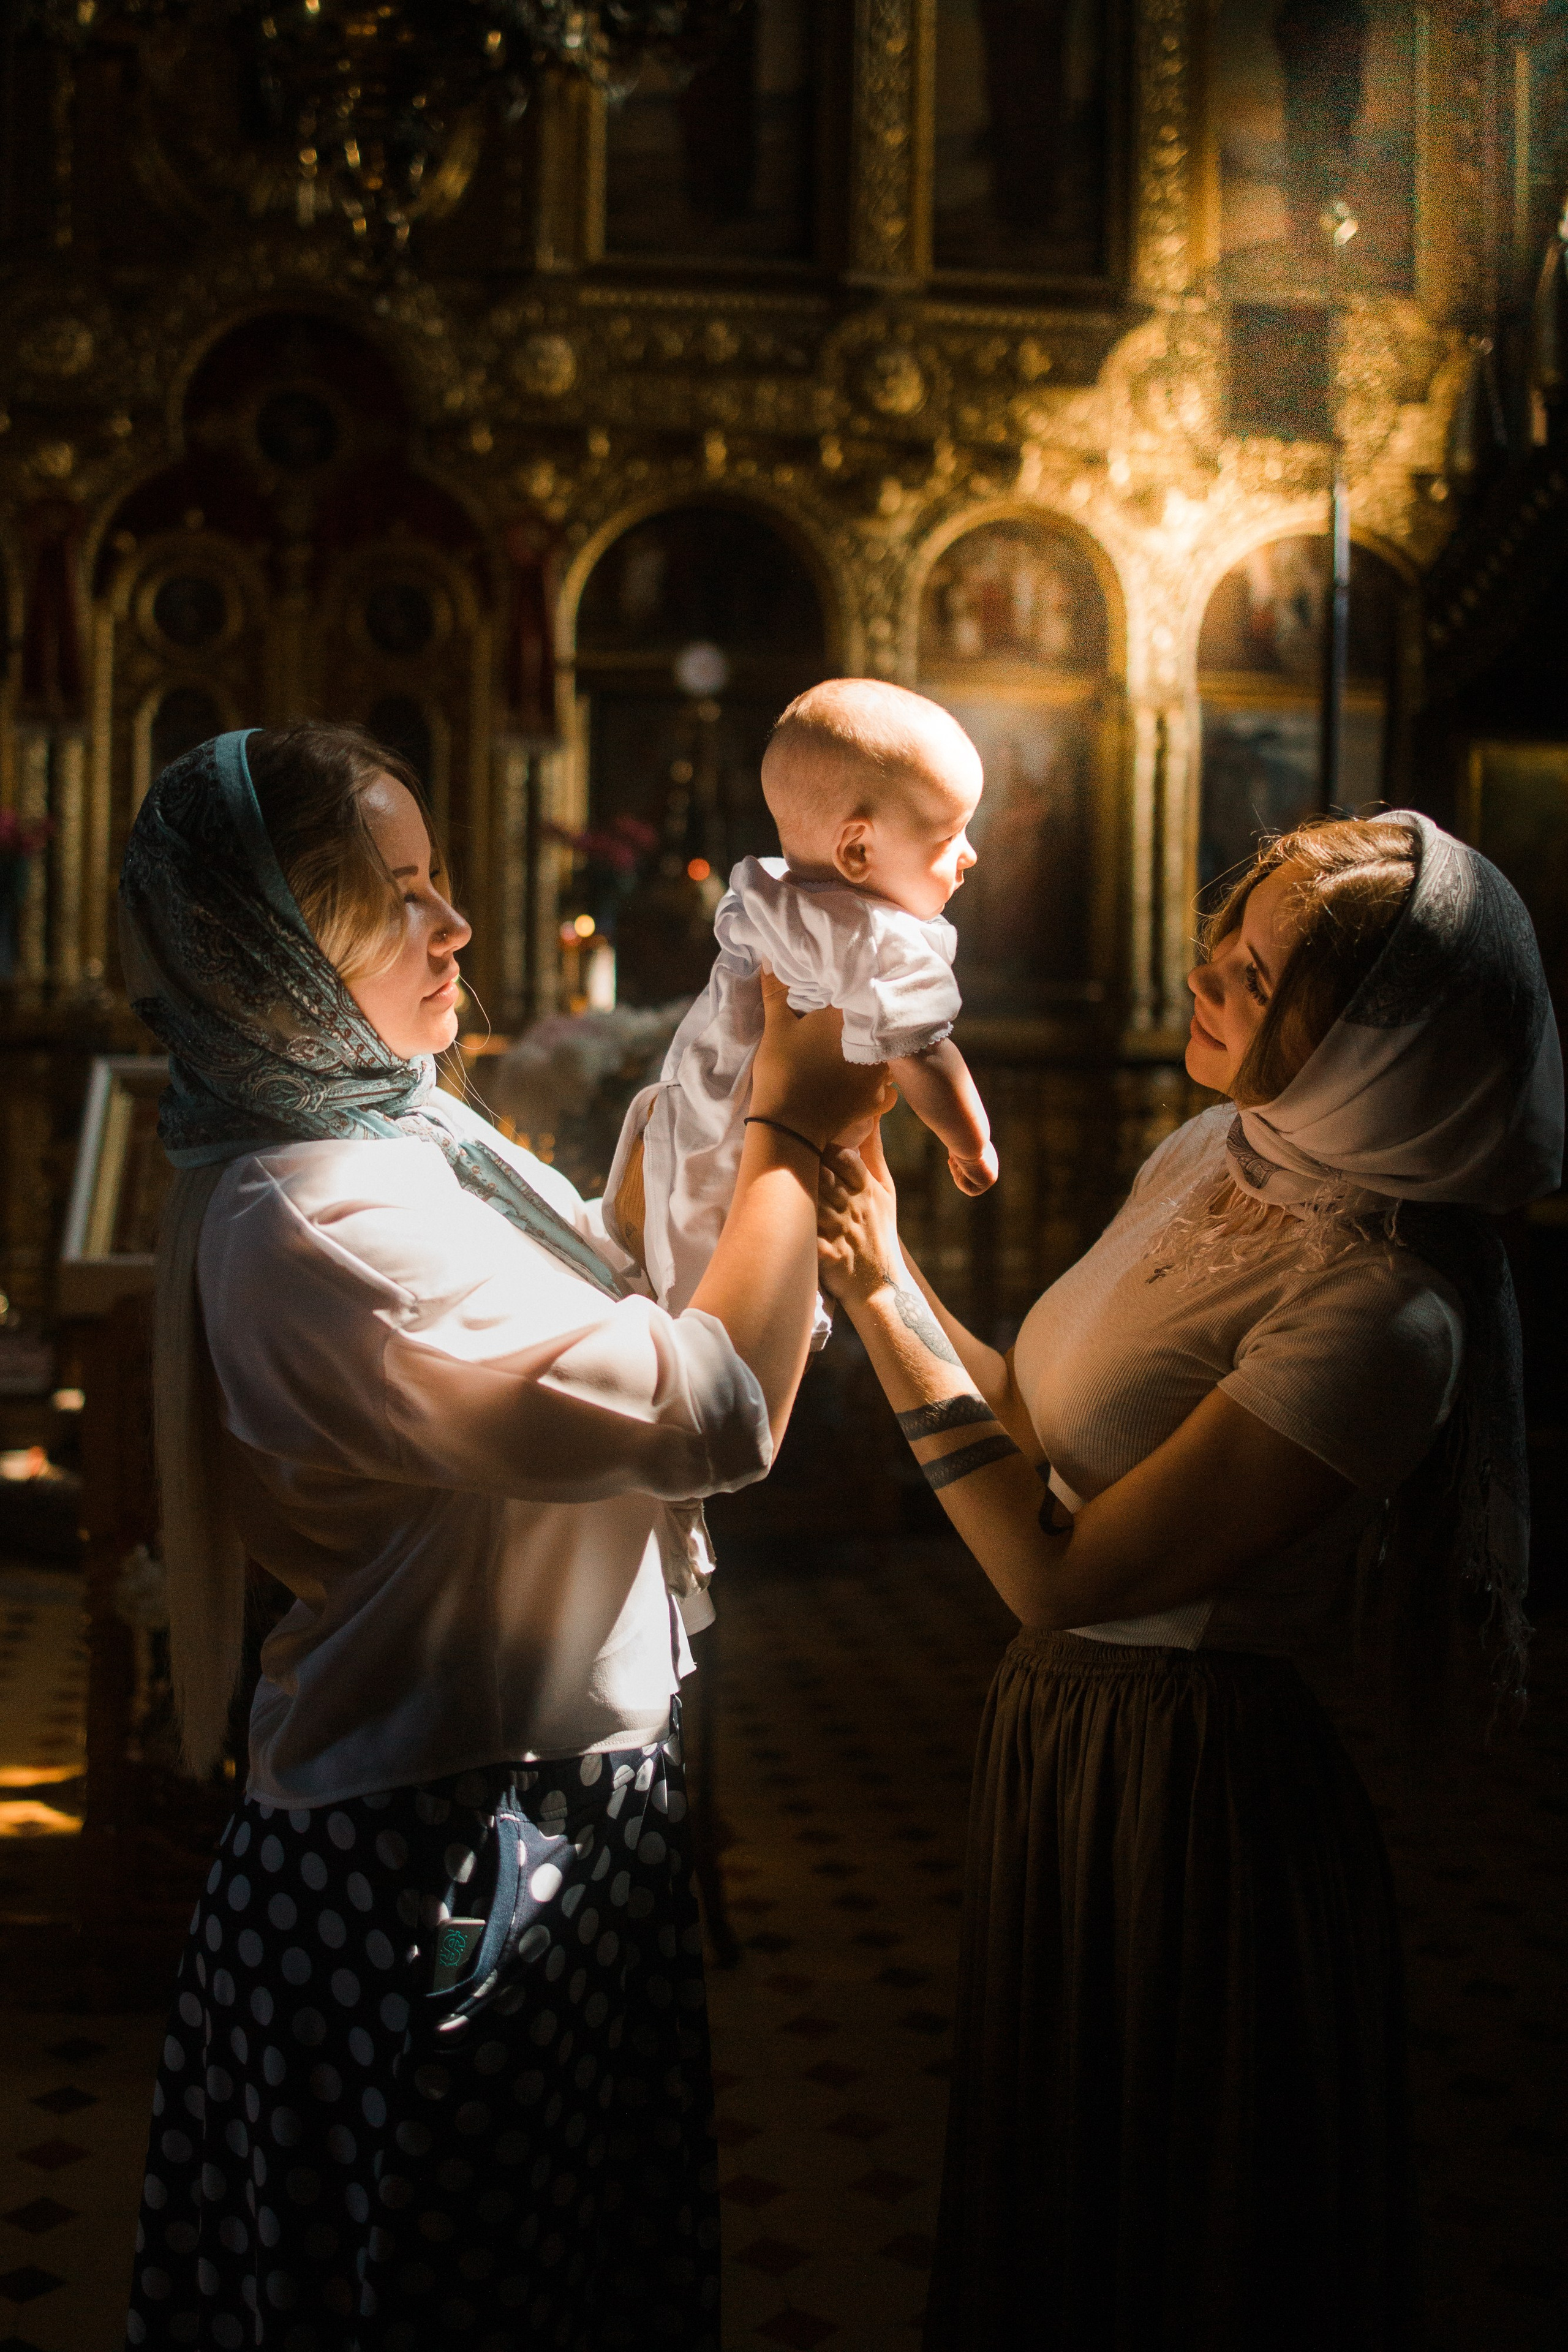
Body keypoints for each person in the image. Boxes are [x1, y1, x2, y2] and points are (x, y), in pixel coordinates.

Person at [118, 723, 890, 2352]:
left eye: (442, 882)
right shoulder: (327, 1221)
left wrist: (742, 1043)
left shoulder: (405, 1135)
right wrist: (799, 1136)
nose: (456, 927)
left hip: (541, 1823)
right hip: (436, 1859)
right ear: (280, 950)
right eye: (403, 899)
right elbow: (706, 1404)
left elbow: (620, 1268)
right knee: (455, 2292)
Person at [816, 810, 1562, 2351]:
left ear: (1373, 1038)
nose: (1203, 974)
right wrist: (888, 1264)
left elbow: (1055, 1564)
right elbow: (1032, 1423)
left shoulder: (1380, 1310)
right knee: (1060, 2183)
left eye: (1256, 968)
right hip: (1065, 1744)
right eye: (1221, 941)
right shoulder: (1212, 1154)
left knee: (1173, 2223)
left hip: (1192, 1787)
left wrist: (878, 1300)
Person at [608, 681, 997, 1344]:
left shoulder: (766, 890)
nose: (970, 855)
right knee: (743, 1324)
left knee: (687, 1253)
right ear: (856, 851)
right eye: (949, 836)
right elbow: (928, 1055)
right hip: (768, 1139)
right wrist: (971, 1141)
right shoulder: (884, 941)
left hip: (695, 1111)